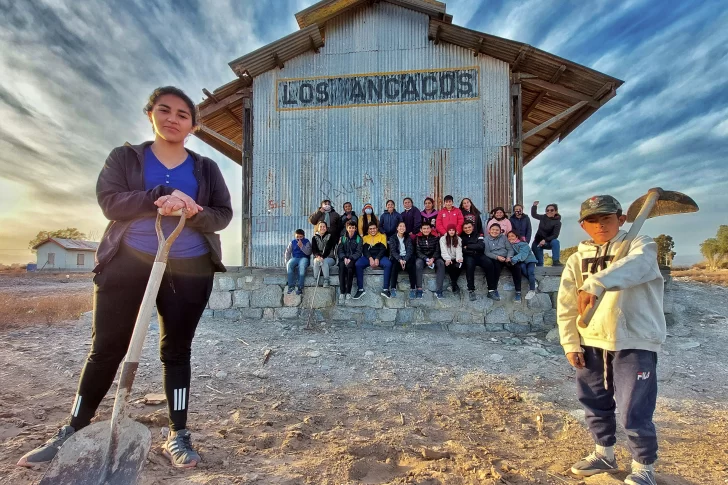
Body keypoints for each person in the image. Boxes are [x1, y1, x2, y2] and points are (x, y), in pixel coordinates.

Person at [16, 86, 233, 470]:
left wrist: (191, 209)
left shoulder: (206, 168)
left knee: (177, 350)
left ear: (193, 125)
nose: (173, 119)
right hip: (127, 263)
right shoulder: (125, 157)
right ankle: (74, 427)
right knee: (106, 349)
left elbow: (222, 215)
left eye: (183, 114)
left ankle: (178, 434)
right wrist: (162, 194)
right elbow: (109, 202)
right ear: (150, 114)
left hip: (189, 265)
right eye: (164, 110)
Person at [558, 195, 665, 485]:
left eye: (606, 218)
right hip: (591, 339)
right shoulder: (577, 259)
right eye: (592, 220)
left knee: (634, 407)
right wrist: (571, 342)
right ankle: (604, 453)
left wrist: (595, 282)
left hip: (634, 338)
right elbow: (567, 302)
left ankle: (644, 467)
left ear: (621, 219)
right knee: (594, 401)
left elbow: (639, 266)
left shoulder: (640, 245)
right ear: (583, 225)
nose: (600, 224)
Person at [484, 223, 522, 301]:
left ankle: (518, 291)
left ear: (500, 231)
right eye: (493, 230)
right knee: (496, 268)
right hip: (496, 258)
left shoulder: (504, 238)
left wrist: (509, 257)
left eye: (497, 230)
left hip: (506, 257)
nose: (495, 231)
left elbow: (510, 249)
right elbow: (487, 253)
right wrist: (497, 257)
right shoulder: (486, 239)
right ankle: (494, 290)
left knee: (517, 267)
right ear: (489, 230)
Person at [354, 222, 392, 299]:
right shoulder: (365, 238)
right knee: (358, 264)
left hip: (380, 257)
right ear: (368, 230)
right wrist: (370, 258)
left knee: (388, 264)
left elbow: (383, 249)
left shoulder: (382, 236)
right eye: (370, 229)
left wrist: (377, 258)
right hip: (368, 257)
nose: (372, 230)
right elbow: (364, 250)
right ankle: (360, 289)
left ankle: (385, 289)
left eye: (374, 228)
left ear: (377, 229)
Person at [414, 221, 446, 299]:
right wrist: (426, 259)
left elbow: (437, 250)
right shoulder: (418, 238)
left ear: (430, 229)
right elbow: (418, 251)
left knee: (441, 263)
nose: (426, 230)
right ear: (421, 230)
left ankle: (439, 290)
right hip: (423, 258)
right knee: (418, 264)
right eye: (424, 228)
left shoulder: (435, 237)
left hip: (434, 257)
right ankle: (419, 289)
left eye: (428, 228)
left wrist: (433, 258)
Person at [461, 221, 489, 301]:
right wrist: (473, 250)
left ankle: (491, 289)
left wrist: (469, 246)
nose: (467, 229)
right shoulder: (461, 237)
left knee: (489, 263)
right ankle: (471, 289)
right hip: (468, 256)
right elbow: (462, 249)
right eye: (465, 228)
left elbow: (481, 246)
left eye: (469, 227)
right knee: (469, 265)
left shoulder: (479, 235)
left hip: (479, 255)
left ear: (473, 227)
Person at [387, 221, 416, 298]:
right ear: (397, 228)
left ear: (405, 228)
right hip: (397, 258)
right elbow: (393, 251)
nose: (402, 228)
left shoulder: (408, 238)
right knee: (394, 266)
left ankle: (413, 288)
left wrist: (405, 260)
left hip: (406, 257)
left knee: (411, 266)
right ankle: (393, 288)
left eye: (403, 226)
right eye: (400, 226)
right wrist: (400, 260)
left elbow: (410, 250)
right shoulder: (392, 238)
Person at [507, 230, 537, 300]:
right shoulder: (510, 246)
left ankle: (532, 290)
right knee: (522, 269)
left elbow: (522, 255)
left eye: (512, 236)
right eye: (509, 236)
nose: (510, 238)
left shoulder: (523, 244)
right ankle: (533, 281)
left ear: (516, 237)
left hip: (530, 260)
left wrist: (512, 260)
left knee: (530, 272)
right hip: (522, 262)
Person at [337, 221, 362, 302]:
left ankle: (348, 292)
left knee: (350, 269)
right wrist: (344, 257)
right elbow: (340, 250)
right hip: (343, 258)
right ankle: (342, 292)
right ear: (347, 228)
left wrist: (350, 258)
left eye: (353, 228)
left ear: (355, 229)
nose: (351, 229)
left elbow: (358, 252)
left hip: (353, 259)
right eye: (350, 228)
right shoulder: (343, 238)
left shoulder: (358, 239)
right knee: (341, 268)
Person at [531, 201, 562, 266]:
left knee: (555, 242)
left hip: (548, 242)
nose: (549, 212)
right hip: (538, 242)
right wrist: (534, 206)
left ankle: (556, 261)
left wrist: (545, 240)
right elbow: (534, 215)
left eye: (551, 210)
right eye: (547, 210)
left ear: (556, 211)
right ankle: (540, 268)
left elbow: (555, 235)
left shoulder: (557, 222)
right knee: (539, 262)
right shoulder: (543, 217)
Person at [285, 229, 312, 295]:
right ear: (295, 236)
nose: (299, 238)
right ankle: (291, 286)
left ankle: (300, 287)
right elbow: (287, 252)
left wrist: (302, 246)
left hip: (304, 258)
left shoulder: (307, 241)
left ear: (304, 236)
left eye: (301, 237)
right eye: (297, 237)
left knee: (302, 266)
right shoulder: (293, 242)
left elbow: (309, 252)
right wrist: (287, 262)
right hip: (295, 258)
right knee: (289, 264)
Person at [311, 221, 337, 287]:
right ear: (318, 228)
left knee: (324, 261)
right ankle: (315, 279)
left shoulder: (330, 236)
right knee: (316, 261)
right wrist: (318, 256)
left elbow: (328, 248)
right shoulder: (314, 238)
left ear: (326, 228)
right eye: (321, 227)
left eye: (324, 227)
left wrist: (322, 257)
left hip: (329, 257)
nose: (322, 228)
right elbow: (314, 249)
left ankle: (326, 280)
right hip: (319, 257)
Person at [440, 224, 464, 294]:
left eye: (453, 230)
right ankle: (454, 285)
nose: (451, 232)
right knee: (449, 265)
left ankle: (453, 283)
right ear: (447, 231)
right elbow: (443, 250)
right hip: (447, 258)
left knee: (459, 265)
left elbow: (459, 250)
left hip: (455, 257)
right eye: (450, 230)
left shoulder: (458, 239)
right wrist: (447, 259)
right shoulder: (443, 239)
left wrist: (459, 258)